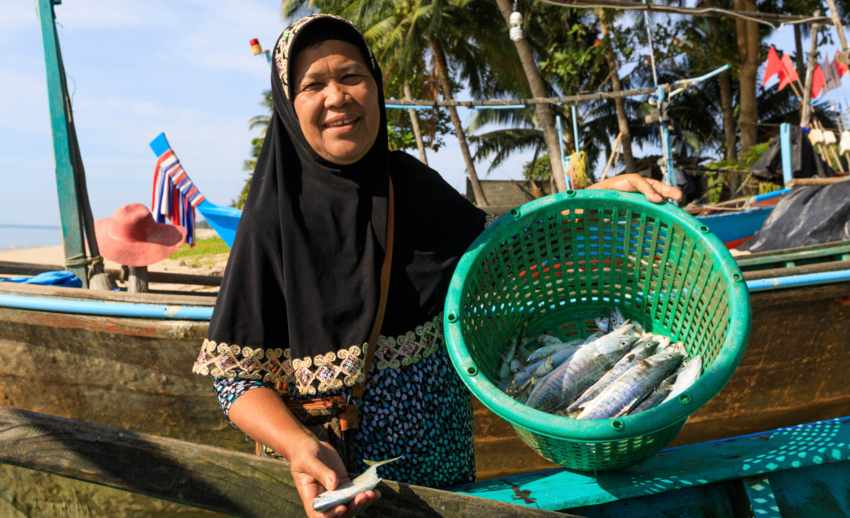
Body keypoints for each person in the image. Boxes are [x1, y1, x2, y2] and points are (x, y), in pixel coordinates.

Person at [192, 13, 682, 518]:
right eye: (314, 84)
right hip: (334, 489)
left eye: (352, 77)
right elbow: (235, 379)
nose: (337, 97)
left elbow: (503, 245)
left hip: (447, 478)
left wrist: (593, 199)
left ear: (376, 87)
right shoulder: (273, 218)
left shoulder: (408, 184)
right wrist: (299, 446)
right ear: (290, 107)